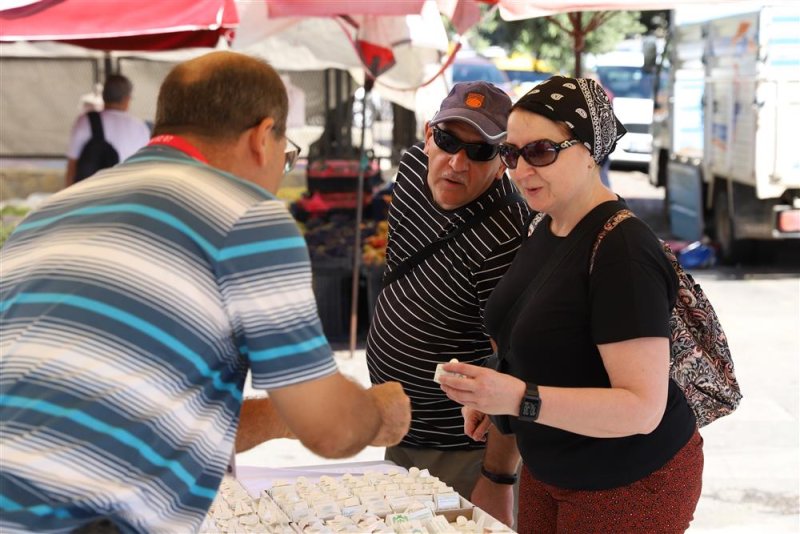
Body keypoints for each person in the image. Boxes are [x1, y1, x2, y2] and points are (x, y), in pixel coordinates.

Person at [0, 51, 411, 534]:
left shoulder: (46, 216)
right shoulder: (246, 214)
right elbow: (332, 430)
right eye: (287, 152)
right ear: (262, 137)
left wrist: (287, 416)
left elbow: (154, 419)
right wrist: (376, 413)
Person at [438, 76, 703, 533]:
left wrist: (517, 398)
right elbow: (537, 346)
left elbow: (641, 409)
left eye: (541, 151)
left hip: (631, 480)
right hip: (552, 468)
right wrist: (491, 392)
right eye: (511, 153)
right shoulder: (548, 225)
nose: (521, 170)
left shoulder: (623, 249)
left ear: (590, 152)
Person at [365, 81, 531, 525]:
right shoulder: (411, 173)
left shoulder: (507, 233)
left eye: (480, 152)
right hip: (400, 432)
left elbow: (514, 367)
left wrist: (498, 478)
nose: (456, 162)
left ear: (503, 164)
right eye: (448, 140)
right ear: (427, 134)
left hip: (457, 454)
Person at [64, 74, 151, 186]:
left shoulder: (85, 121)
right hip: (126, 193)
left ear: (104, 96)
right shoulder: (141, 128)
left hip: (89, 195)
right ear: (127, 99)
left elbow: (72, 167)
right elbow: (145, 169)